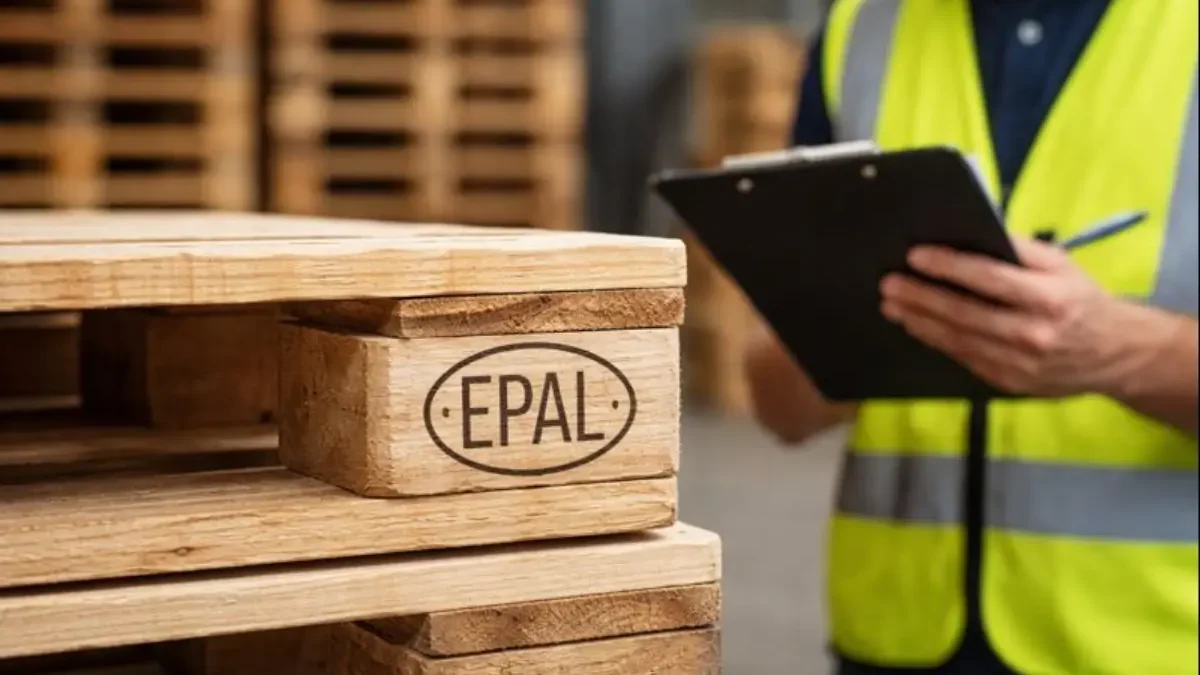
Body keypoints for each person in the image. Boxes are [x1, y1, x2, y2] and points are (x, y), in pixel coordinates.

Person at [742, 1, 1199, 674]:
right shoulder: (864, 22)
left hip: (1153, 644)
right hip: (894, 641)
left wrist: (1123, 350)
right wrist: (840, 336)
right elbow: (775, 401)